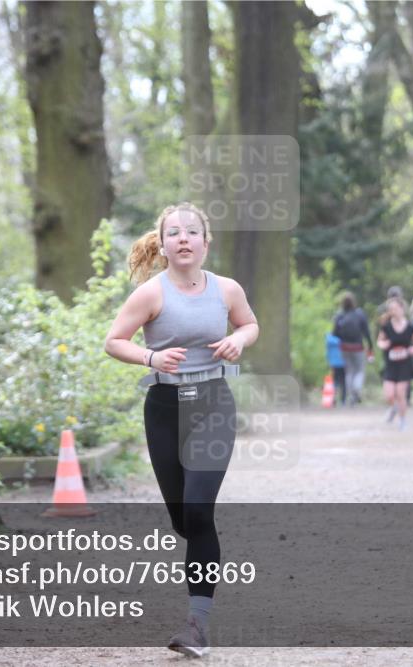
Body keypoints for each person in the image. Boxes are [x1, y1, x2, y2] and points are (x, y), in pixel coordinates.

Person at [104, 202, 259, 658]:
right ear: (164, 245)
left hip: (213, 403)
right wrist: (151, 357)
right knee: (182, 520)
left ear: (206, 243)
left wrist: (238, 339)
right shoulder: (150, 295)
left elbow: (250, 324)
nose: (184, 238)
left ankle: (197, 625)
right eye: (175, 233)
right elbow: (113, 341)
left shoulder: (227, 289)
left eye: (193, 232)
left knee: (198, 511)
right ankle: (202, 557)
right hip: (164, 408)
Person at [377, 297, 413, 430]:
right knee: (389, 394)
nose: (393, 311)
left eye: (395, 308)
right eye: (391, 309)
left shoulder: (410, 327)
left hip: (404, 364)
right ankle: (394, 408)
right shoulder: (386, 327)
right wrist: (383, 344)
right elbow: (379, 341)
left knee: (401, 393)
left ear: (402, 309)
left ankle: (402, 420)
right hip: (391, 364)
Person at [332, 292, 374, 406]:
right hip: (358, 347)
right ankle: (356, 390)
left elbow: (334, 333)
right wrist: (370, 346)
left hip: (344, 348)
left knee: (348, 372)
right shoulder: (360, 314)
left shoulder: (339, 316)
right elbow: (366, 332)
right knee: (359, 370)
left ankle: (351, 395)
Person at [326, 332, 347, 406]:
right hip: (344, 362)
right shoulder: (344, 337)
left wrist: (328, 361)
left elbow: (327, 351)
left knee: (335, 381)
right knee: (343, 382)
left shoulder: (329, 338)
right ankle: (343, 400)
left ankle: (334, 399)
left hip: (333, 363)